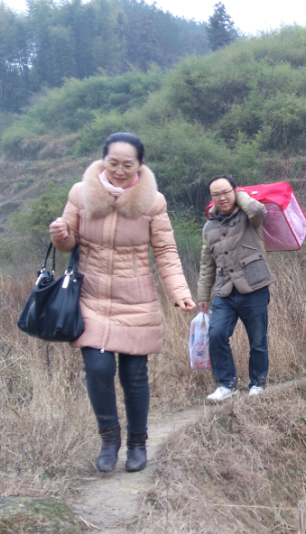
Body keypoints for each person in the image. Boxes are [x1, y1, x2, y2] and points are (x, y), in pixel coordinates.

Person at [48, 133, 195, 473]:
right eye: (113, 163)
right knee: (98, 369)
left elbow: (166, 251)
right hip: (90, 296)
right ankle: (109, 438)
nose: (119, 170)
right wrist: (60, 235)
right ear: (103, 160)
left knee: (134, 375)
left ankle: (137, 443)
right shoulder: (80, 193)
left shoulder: (153, 202)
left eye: (127, 165)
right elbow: (68, 242)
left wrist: (179, 291)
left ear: (139, 165)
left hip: (136, 298)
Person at [197, 175, 275, 401]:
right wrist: (203, 295)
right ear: (211, 198)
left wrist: (240, 194)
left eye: (226, 192)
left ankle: (257, 384)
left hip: (255, 285)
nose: (222, 198)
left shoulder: (249, 217)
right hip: (225, 290)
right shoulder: (209, 226)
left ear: (235, 191)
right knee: (216, 334)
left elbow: (258, 210)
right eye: (216, 194)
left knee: (257, 340)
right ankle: (227, 385)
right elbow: (207, 264)